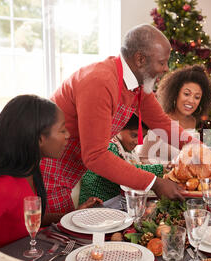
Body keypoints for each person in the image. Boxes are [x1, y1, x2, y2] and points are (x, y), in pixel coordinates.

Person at [40, 24, 196, 214]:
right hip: (48, 168)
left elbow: (162, 123)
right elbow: (96, 156)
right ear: (140, 59)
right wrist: (154, 183)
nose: (166, 68)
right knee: (51, 236)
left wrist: (200, 150)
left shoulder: (137, 85)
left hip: (71, 168)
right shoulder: (100, 82)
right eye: (162, 62)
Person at [0, 95, 98, 256]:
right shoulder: (2, 187)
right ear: (40, 138)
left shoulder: (30, 172)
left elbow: (26, 218)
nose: (68, 135)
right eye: (62, 130)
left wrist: (74, 214)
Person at [136, 64, 211, 162]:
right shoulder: (161, 122)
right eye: (186, 94)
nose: (191, 101)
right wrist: (168, 166)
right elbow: (140, 159)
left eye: (197, 97)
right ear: (175, 93)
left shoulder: (197, 122)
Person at [79, 114, 153, 203]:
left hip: (112, 204)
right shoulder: (109, 146)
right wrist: (161, 169)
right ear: (119, 128)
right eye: (134, 135)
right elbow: (128, 171)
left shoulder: (127, 150)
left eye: (142, 137)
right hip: (95, 207)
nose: (138, 141)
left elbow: (135, 167)